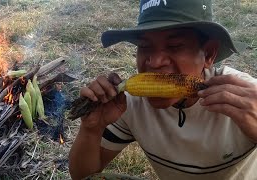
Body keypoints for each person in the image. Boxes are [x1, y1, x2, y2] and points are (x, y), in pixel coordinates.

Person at [69, 0, 257, 179]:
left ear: (208, 54)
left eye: (174, 46)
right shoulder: (127, 104)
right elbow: (84, 176)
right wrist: (91, 129)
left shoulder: (245, 100)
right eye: (144, 46)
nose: (155, 62)